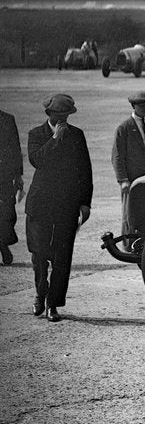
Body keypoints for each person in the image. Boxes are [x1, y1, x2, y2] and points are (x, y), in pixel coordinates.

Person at [25, 93, 93, 322]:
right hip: (40, 205)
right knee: (39, 254)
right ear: (49, 115)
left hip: (67, 205)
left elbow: (85, 171)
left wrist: (85, 203)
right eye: (58, 115)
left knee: (62, 257)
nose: (63, 119)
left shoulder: (77, 135)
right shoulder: (36, 135)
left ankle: (53, 304)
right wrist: (54, 139)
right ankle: (40, 294)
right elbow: (38, 161)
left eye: (66, 116)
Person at [111, 91, 145, 250]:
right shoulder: (124, 127)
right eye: (142, 106)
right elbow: (118, 156)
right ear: (134, 106)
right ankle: (129, 245)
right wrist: (123, 180)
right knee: (130, 211)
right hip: (133, 176)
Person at [0, 98, 24, 265]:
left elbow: (15, 148)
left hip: (5, 174)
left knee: (8, 212)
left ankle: (2, 242)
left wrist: (18, 175)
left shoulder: (8, 119)